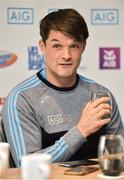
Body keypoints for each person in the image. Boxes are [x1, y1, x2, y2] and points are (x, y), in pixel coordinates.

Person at [0, 8, 123, 167]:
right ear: (42, 46)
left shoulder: (101, 95)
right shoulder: (21, 98)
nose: (66, 55)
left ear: (83, 47)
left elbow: (119, 156)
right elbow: (27, 165)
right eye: (57, 46)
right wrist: (81, 131)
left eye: (74, 46)